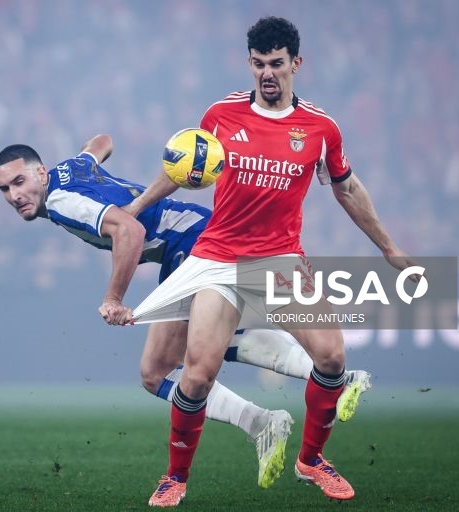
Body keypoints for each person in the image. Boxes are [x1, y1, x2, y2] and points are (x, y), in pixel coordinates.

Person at [125, 16, 419, 506]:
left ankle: (311, 460)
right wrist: (135, 208)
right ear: (250, 64)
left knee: (332, 357)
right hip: (218, 259)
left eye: (277, 64)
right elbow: (183, 168)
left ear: (295, 64)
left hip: (280, 261)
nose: (267, 72)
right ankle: (175, 476)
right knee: (196, 375)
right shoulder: (221, 115)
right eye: (259, 63)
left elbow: (346, 187)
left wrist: (388, 246)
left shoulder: (321, 128)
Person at [0, 135, 371, 489]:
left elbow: (130, 232)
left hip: (190, 247)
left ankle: (273, 414)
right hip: (195, 237)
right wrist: (92, 155)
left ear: (41, 174)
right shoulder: (69, 169)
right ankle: (313, 389)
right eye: (5, 189)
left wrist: (113, 298)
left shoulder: (61, 202)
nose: (14, 195)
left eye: (19, 182)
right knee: (207, 347)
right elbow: (102, 141)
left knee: (156, 372)